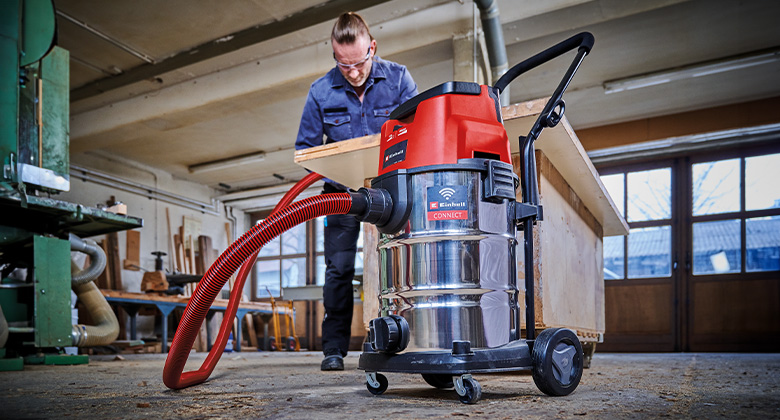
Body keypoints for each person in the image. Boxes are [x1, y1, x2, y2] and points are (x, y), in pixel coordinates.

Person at [295, 12, 418, 371]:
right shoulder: (320, 91)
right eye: (342, 64)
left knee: (395, 265)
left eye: (359, 62)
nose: (352, 71)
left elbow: (418, 132)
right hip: (342, 196)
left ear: (372, 48)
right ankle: (333, 349)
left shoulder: (398, 79)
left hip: (391, 193)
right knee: (338, 270)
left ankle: (401, 340)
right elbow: (306, 151)